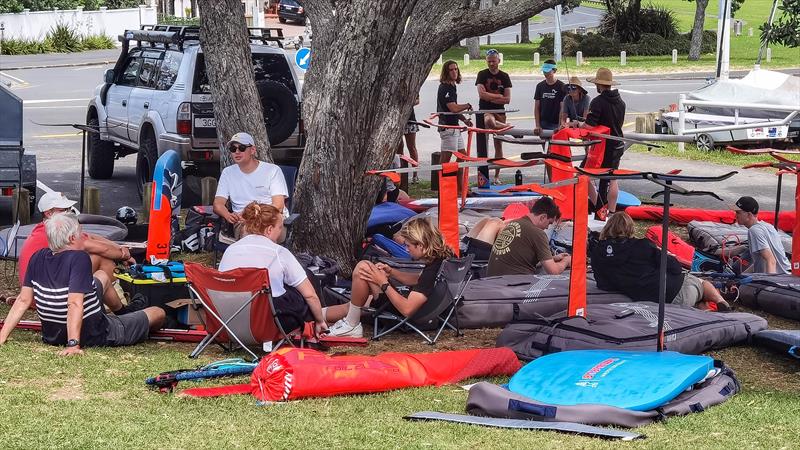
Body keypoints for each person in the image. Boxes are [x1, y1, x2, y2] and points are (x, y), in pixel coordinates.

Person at [0, 213, 165, 355]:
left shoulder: (37, 256)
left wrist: (3, 335)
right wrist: (73, 344)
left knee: (101, 275)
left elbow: (23, 300)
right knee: (158, 313)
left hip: (52, 334)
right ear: (72, 238)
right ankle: (127, 321)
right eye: (80, 233)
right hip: (94, 332)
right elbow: (74, 302)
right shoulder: (79, 258)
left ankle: (123, 311)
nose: (83, 236)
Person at [325, 217, 454, 338]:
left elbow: (407, 309)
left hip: (404, 312)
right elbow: (418, 281)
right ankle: (314, 316)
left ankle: (351, 325)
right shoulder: (439, 260)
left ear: (420, 245)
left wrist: (383, 283)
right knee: (357, 304)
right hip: (420, 308)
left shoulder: (431, 272)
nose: (407, 250)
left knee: (363, 267)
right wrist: (392, 272)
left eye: (408, 245)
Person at [10, 192, 134, 313]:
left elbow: (90, 237)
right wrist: (124, 255)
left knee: (97, 257)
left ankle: (112, 300)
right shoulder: (60, 230)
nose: (69, 213)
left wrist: (119, 248)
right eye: (64, 210)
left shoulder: (47, 228)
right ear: (49, 213)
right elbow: (101, 248)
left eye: (70, 209)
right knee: (102, 259)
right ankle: (116, 302)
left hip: (37, 293)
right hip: (47, 297)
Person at [218, 202, 328, 336]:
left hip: (229, 317)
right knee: (304, 285)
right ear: (269, 230)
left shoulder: (230, 250)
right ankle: (314, 328)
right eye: (280, 228)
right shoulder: (279, 252)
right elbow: (310, 295)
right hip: (269, 321)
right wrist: (320, 320)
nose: (281, 232)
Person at [590, 212, 730, 310]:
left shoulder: (597, 252)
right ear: (630, 229)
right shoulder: (642, 246)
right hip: (674, 292)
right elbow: (674, 268)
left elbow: (603, 284)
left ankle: (703, 308)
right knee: (702, 283)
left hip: (653, 297)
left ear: (608, 228)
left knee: (692, 294)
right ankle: (720, 301)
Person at [213, 132, 289, 238]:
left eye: (242, 148)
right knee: (250, 235)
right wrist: (229, 215)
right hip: (243, 223)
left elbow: (278, 206)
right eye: (233, 149)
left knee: (263, 236)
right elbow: (218, 204)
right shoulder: (228, 173)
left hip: (271, 219)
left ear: (252, 150)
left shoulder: (273, 170)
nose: (237, 152)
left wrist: (251, 215)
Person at [573, 67, 627, 216]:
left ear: (599, 84)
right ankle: (610, 211)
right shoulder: (620, 102)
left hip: (604, 147)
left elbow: (589, 126)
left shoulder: (598, 101)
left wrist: (579, 125)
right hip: (618, 143)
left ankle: (599, 208)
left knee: (583, 175)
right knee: (612, 178)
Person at [487, 197, 571, 276]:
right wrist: (566, 261)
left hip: (493, 280)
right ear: (543, 217)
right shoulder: (537, 233)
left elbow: (519, 259)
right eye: (549, 223)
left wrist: (553, 258)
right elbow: (553, 271)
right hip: (512, 284)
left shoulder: (513, 223)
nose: (547, 227)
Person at [475, 49, 513, 185]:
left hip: (500, 112)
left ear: (499, 61)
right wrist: (497, 96)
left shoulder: (505, 76)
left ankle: (496, 176)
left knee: (498, 143)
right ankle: (483, 175)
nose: (491, 64)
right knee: (488, 127)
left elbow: (507, 99)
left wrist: (490, 97)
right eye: (489, 61)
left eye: (493, 61)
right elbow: (481, 95)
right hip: (485, 111)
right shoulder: (482, 74)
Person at [437, 60, 473, 192]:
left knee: (462, 157)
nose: (454, 72)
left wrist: (464, 119)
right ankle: (444, 189)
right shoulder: (445, 87)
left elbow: (455, 110)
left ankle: (461, 189)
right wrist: (467, 105)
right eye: (451, 70)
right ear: (446, 72)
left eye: (456, 69)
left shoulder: (452, 87)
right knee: (445, 161)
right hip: (448, 128)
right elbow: (452, 108)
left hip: (455, 128)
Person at [734, 196, 791, 274]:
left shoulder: (754, 231)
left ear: (749, 215)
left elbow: (771, 260)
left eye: (738, 212)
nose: (735, 215)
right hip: (787, 274)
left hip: (777, 279)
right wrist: (742, 277)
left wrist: (769, 284)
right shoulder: (768, 226)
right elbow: (760, 261)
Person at [533, 59, 565, 135]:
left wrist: (560, 125)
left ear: (554, 71)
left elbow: (562, 108)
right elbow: (537, 107)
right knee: (545, 146)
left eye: (548, 71)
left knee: (554, 146)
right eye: (544, 71)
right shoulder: (540, 86)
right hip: (543, 123)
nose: (545, 73)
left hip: (555, 123)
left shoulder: (561, 86)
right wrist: (537, 125)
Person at [397, 95, 421, 184]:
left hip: (410, 119)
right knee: (399, 149)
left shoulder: (412, 85)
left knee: (412, 147)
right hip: (397, 120)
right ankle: (402, 174)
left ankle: (415, 175)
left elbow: (417, 100)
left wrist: (408, 102)